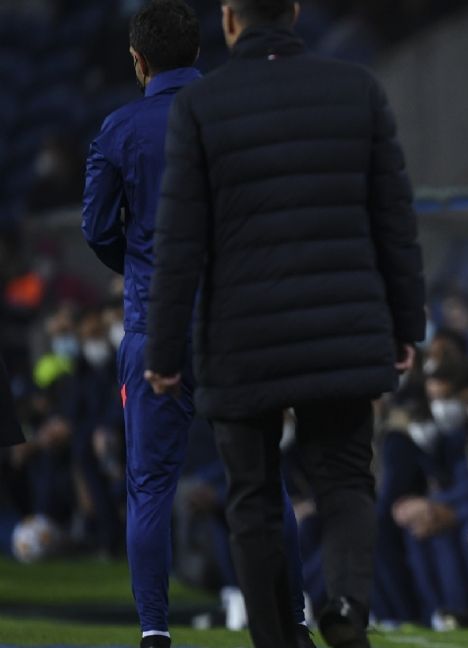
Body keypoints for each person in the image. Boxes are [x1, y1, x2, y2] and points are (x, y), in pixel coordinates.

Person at [142, 0, 425, 646]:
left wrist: (163, 349)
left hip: (241, 339)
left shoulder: (200, 106)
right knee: (346, 479)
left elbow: (179, 241)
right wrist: (405, 323)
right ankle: (346, 605)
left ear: (228, 19)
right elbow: (394, 219)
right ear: (294, 13)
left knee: (252, 497)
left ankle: (274, 638)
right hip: (343, 327)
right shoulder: (356, 89)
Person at [82, 3, 315, 646]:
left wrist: (140, 266)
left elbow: (97, 229)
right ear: (200, 50)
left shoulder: (118, 129)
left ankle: (155, 634)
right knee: (263, 480)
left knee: (150, 485)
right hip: (233, 327)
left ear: (138, 60)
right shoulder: (240, 114)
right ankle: (293, 624)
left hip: (152, 326)